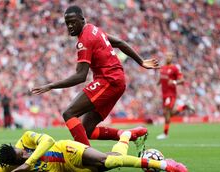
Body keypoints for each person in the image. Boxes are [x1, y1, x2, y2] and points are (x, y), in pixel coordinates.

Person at [31, 5, 159, 146]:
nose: (70, 26)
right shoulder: (94, 29)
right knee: (87, 131)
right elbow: (119, 42)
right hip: (116, 81)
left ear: (82, 19)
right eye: (68, 23)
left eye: (73, 22)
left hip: (109, 80)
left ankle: (86, 158)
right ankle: (126, 134)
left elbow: (80, 76)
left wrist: (51, 85)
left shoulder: (85, 40)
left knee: (69, 113)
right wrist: (140, 61)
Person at [0, 130, 187, 172]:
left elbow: (49, 139)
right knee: (114, 160)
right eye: (20, 155)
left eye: (20, 150)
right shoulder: (11, 169)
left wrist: (29, 162)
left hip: (67, 150)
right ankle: (125, 135)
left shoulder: (25, 140)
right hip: (69, 170)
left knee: (107, 160)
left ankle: (166, 165)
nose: (23, 152)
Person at [156, 52, 194, 140]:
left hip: (171, 94)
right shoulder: (162, 67)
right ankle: (184, 106)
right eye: (167, 55)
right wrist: (158, 82)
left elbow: (182, 81)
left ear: (172, 58)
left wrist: (174, 82)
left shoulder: (175, 68)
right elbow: (162, 77)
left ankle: (165, 134)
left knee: (166, 113)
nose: (168, 57)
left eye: (170, 56)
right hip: (164, 94)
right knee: (168, 114)